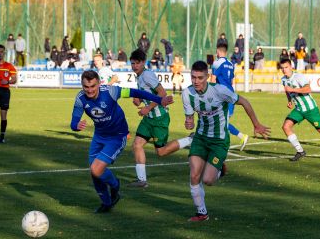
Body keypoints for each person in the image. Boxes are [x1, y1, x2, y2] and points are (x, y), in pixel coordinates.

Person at [70, 70, 173, 213]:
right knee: (94, 173)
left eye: (93, 86)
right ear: (82, 86)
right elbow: (73, 122)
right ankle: (106, 203)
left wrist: (159, 100)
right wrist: (76, 126)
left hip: (117, 136)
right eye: (86, 87)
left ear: (99, 83)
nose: (90, 90)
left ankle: (115, 184)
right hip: (99, 137)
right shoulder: (81, 99)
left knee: (96, 169)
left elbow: (135, 92)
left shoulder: (111, 91)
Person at [178, 60, 270, 221]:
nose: (196, 81)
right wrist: (189, 122)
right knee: (194, 175)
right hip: (200, 138)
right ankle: (202, 213)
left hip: (219, 141)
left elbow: (244, 102)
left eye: (200, 78)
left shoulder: (220, 91)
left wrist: (256, 124)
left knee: (207, 180)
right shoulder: (187, 94)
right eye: (193, 77)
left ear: (207, 77)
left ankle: (220, 170)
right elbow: (189, 119)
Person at [128, 49, 195, 188]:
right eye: (132, 63)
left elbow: (162, 94)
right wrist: (138, 99)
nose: (134, 66)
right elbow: (145, 95)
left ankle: (190, 139)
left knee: (161, 151)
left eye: (137, 63)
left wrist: (147, 108)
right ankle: (142, 180)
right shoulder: (139, 76)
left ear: (143, 63)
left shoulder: (147, 75)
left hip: (159, 118)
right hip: (149, 119)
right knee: (137, 144)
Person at [211, 43, 249, 151]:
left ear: (218, 52)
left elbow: (213, 79)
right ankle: (238, 138)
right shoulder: (230, 64)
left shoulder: (217, 62)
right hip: (231, 94)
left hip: (221, 96)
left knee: (219, 121)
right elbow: (232, 81)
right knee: (222, 121)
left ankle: (236, 138)